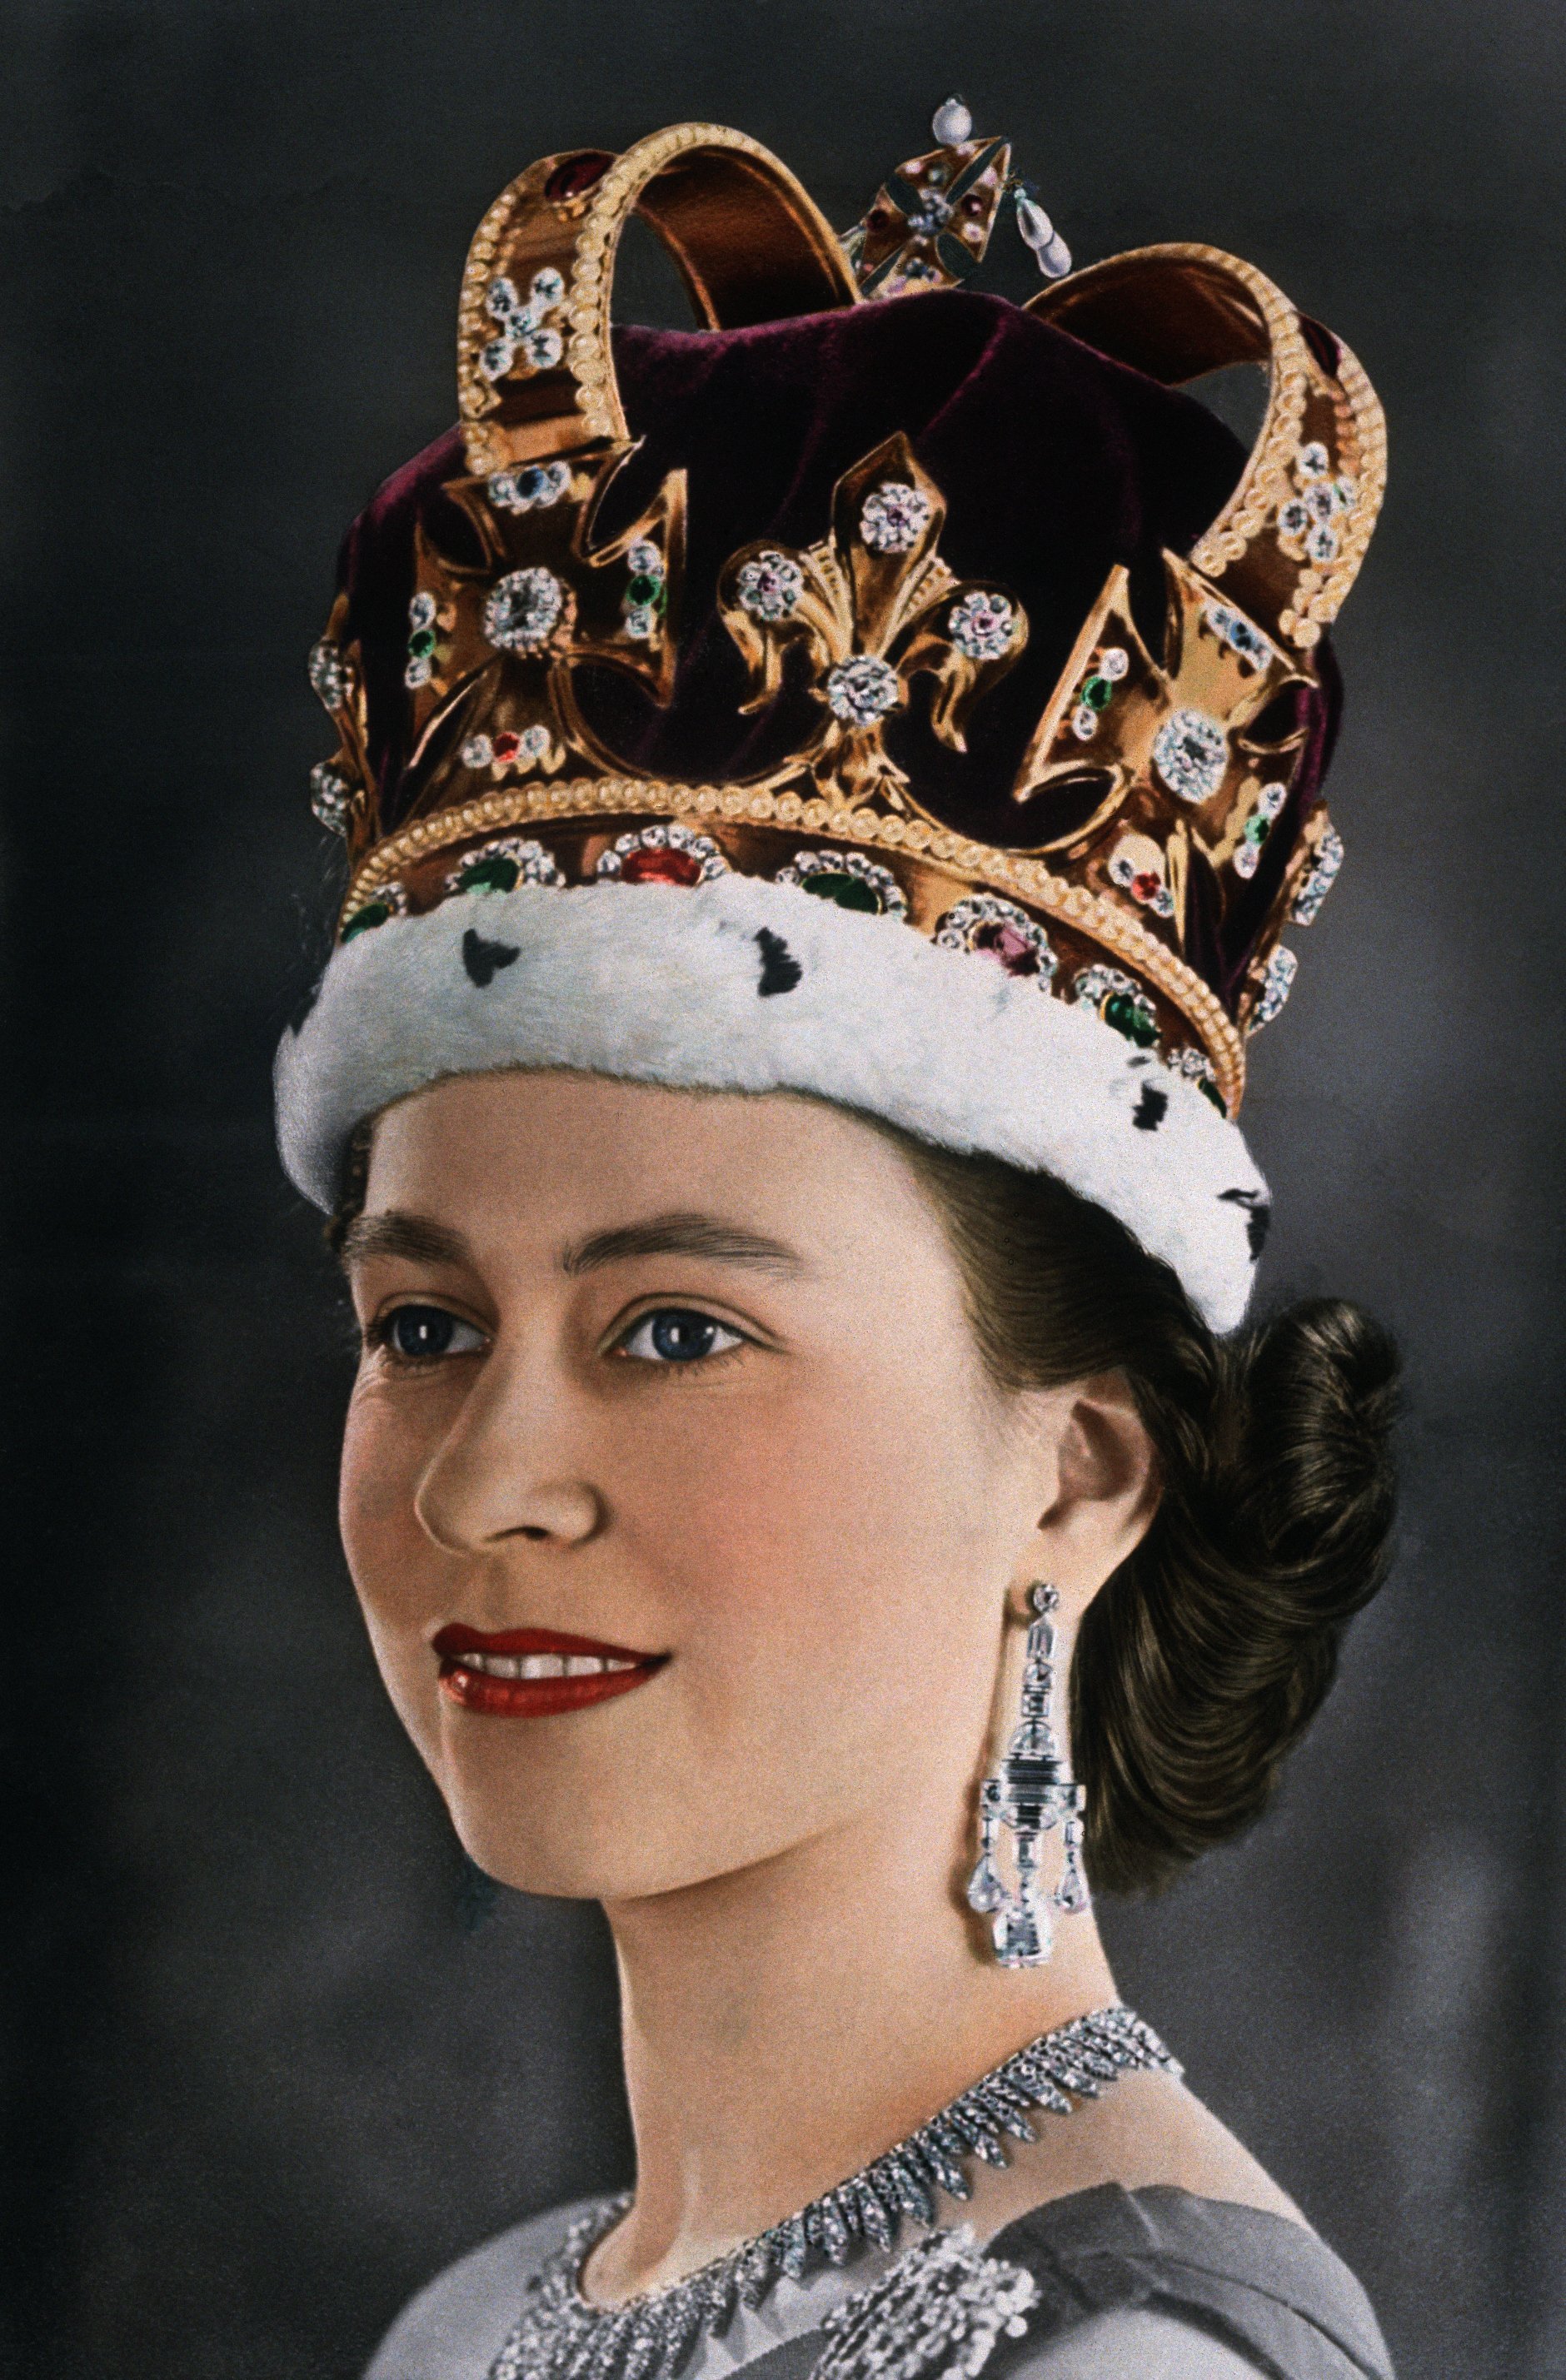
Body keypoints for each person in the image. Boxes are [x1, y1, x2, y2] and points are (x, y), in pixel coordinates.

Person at [277, 107, 1399, 2380]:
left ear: (1081, 1468)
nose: (484, 1482)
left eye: (675, 1323)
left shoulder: (1124, 2363)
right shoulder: (473, 2325)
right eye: (422, 1319)